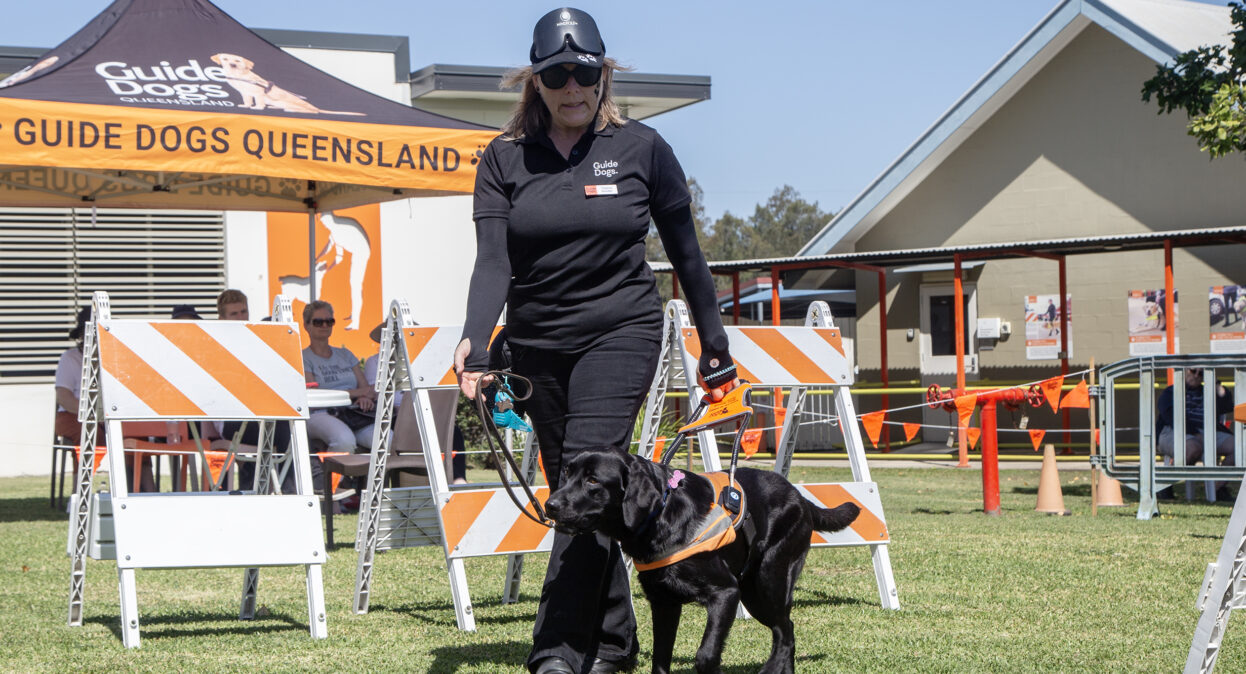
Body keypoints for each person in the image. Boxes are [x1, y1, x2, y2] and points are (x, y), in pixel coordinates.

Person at [453, 9, 738, 673]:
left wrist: (714, 343)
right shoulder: (502, 159)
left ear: (604, 74)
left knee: (587, 466)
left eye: (586, 72)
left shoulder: (643, 150)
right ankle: (612, 644)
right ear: (537, 79)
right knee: (579, 493)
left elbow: (687, 254)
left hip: (621, 331)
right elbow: (492, 261)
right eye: (558, 74)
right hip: (536, 345)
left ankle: (557, 650)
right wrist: (474, 337)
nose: (572, 86)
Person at [302, 300, 376, 454]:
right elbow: (314, 395)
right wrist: (356, 393)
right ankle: (332, 477)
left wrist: (365, 398)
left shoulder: (345, 354)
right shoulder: (303, 357)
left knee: (386, 439)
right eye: (318, 322)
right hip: (320, 412)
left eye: (329, 321)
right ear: (306, 326)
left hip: (353, 411)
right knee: (344, 440)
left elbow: (366, 389)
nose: (324, 326)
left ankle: (365, 478)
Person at [1156, 366, 1237, 499]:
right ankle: (1164, 485)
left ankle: (1217, 488)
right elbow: (1170, 416)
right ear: (1185, 371)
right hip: (1175, 431)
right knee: (1193, 447)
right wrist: (1193, 432)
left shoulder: (1208, 392)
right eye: (1193, 371)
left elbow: (1227, 405)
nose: (1196, 376)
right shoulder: (1171, 392)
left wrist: (1216, 384)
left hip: (1208, 431)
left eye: (1201, 374)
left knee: (1240, 448)